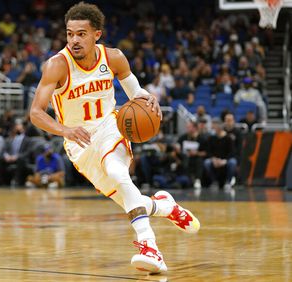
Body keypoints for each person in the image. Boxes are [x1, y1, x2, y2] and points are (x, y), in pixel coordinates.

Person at [29, 2, 200, 273]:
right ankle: (163, 205)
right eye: (70, 33)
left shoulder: (114, 58)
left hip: (110, 127)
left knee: (118, 173)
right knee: (128, 199)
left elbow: (136, 93)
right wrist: (65, 130)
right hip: (79, 144)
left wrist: (148, 98)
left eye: (81, 34)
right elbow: (36, 113)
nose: (74, 40)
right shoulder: (56, 66)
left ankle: (150, 247)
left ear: (97, 34)